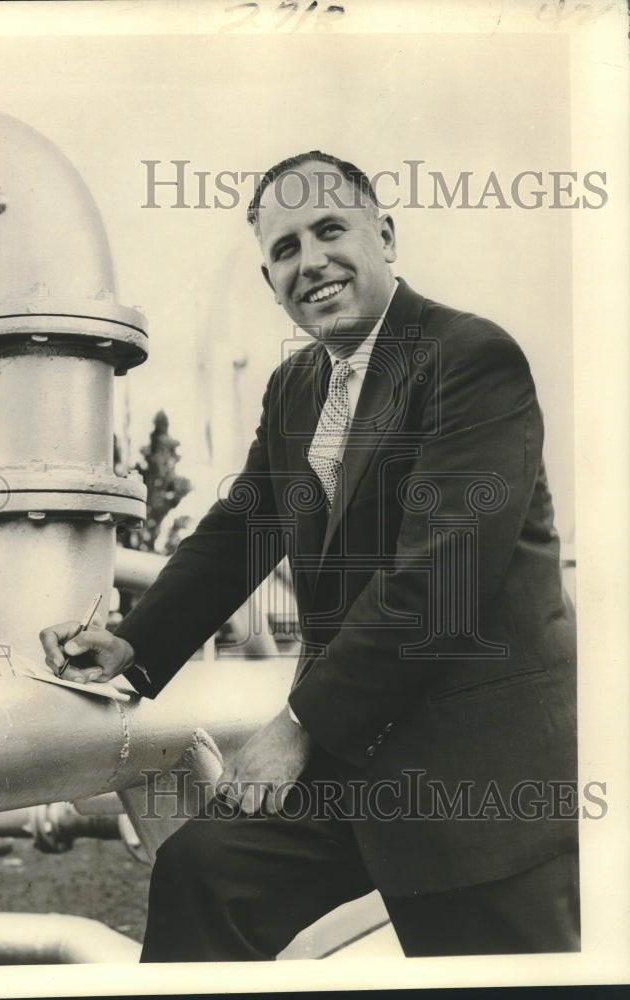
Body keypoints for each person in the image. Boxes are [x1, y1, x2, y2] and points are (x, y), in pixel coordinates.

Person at [40, 152, 579, 961]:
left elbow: (437, 585)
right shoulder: (297, 389)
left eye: (330, 230)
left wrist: (295, 725)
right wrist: (132, 643)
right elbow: (241, 528)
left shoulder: (470, 360)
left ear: (385, 235)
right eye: (285, 248)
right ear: (271, 280)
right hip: (348, 759)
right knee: (202, 872)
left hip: (473, 772)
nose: (311, 262)